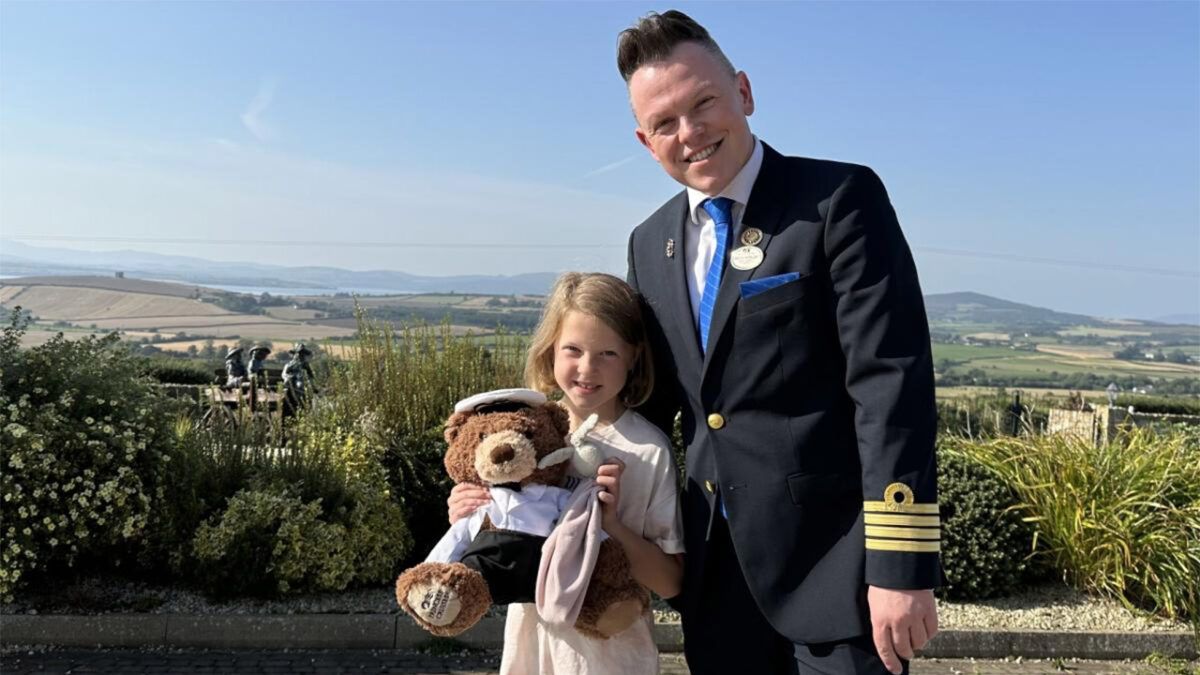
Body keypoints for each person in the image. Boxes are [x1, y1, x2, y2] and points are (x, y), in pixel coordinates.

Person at [616, 10, 941, 675]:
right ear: (647, 142)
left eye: (703, 102)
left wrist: (901, 569)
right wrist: (530, 485)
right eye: (666, 123)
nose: (691, 131)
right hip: (716, 582)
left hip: (837, 573)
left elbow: (891, 388)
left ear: (743, 92)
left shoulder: (837, 201)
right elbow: (641, 408)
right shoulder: (649, 244)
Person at [449, 272, 684, 674]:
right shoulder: (522, 435)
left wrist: (613, 526)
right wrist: (469, 514)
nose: (587, 368)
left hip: (614, 659)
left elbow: (670, 582)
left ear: (634, 356)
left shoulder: (646, 451)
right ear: (550, 350)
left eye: (607, 353)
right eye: (573, 349)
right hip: (532, 653)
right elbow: (500, 546)